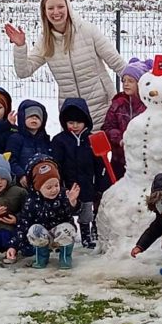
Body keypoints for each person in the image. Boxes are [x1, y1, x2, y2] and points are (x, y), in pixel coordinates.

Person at [4, 0, 127, 130]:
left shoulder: (87, 31)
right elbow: (23, 71)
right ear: (44, 12)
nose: (56, 12)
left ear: (68, 7)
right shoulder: (45, 40)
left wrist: (140, 84)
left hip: (102, 107)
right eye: (50, 8)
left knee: (103, 150)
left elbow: (117, 63)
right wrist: (20, 46)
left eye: (60, 6)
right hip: (72, 113)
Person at [6, 155, 81, 269]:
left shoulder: (63, 195)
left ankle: (65, 257)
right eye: (49, 187)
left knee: (68, 228)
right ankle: (42, 257)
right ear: (37, 187)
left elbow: (73, 212)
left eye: (56, 185)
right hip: (42, 237)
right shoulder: (31, 201)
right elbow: (23, 224)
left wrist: (72, 202)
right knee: (33, 230)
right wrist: (13, 246)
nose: (54, 190)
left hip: (60, 235)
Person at [51, 98, 108, 249]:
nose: (75, 126)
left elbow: (100, 164)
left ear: (86, 121)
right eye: (70, 123)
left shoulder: (92, 139)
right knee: (66, 211)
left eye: (78, 122)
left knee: (86, 213)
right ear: (64, 123)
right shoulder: (59, 141)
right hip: (67, 186)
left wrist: (101, 184)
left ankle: (87, 236)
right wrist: (60, 185)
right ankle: (63, 236)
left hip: (88, 185)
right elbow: (56, 164)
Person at [102, 58, 153, 179]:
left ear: (140, 83)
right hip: (119, 159)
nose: (126, 84)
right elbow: (108, 127)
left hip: (143, 161)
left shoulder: (149, 105)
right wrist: (120, 139)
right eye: (124, 80)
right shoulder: (118, 103)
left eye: (130, 81)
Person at [7, 99, 52, 186]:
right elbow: (10, 160)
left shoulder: (45, 140)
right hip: (21, 183)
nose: (34, 118)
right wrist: (21, 175)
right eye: (30, 116)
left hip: (42, 182)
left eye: (38, 117)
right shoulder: (16, 138)